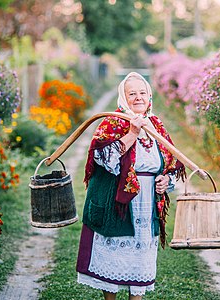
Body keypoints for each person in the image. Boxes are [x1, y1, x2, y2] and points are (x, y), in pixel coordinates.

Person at [76, 72, 185, 300]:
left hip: (147, 205)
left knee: (140, 262)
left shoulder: (156, 125)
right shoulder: (113, 122)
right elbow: (104, 158)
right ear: (123, 98)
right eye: (132, 93)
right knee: (113, 257)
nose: (138, 98)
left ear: (150, 96)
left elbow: (171, 162)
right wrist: (133, 132)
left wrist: (166, 180)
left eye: (142, 93)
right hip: (118, 203)